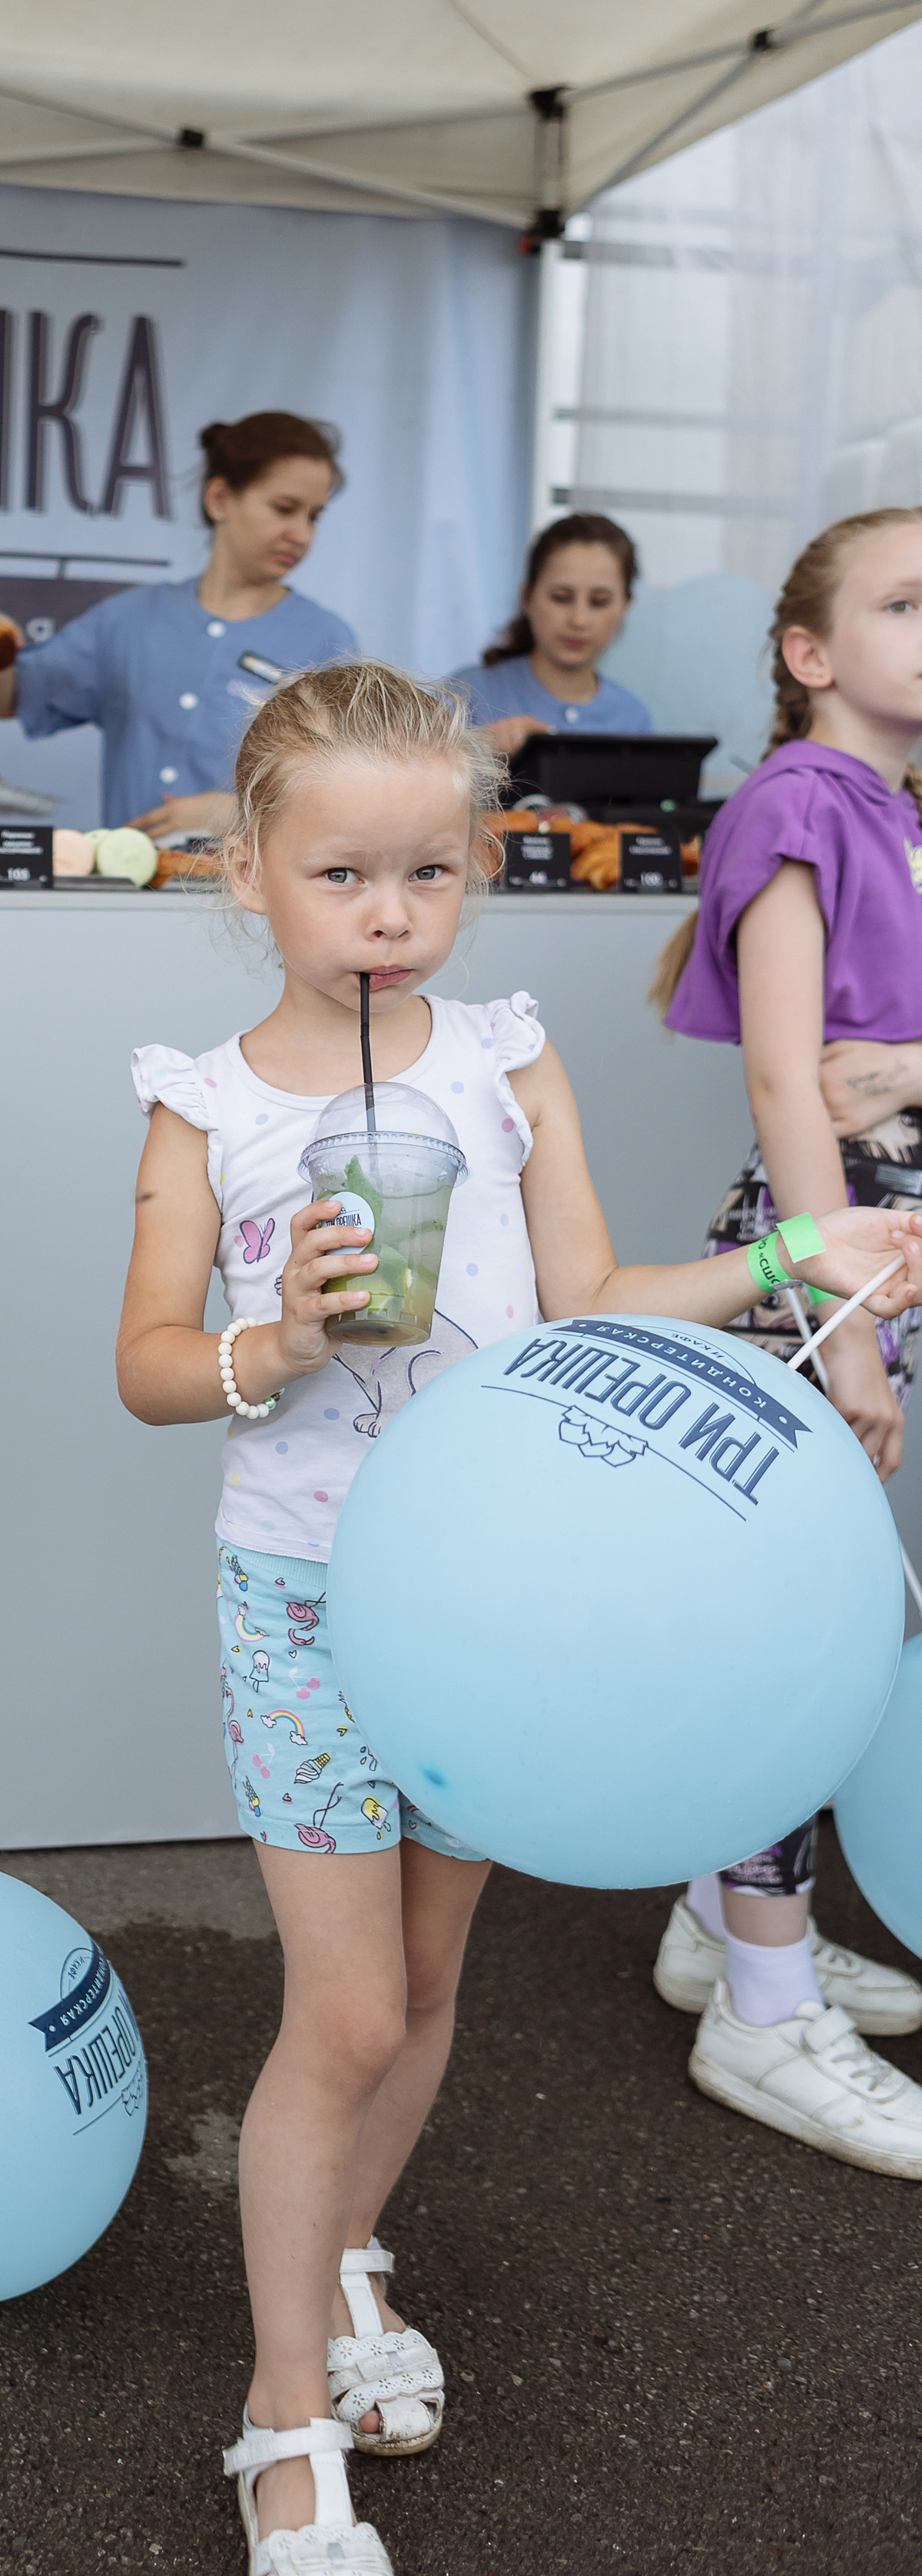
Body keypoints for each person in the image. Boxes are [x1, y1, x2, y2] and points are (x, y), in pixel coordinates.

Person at [115, 658, 922, 2576]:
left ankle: (341, 2261)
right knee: (346, 2004)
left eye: (425, 874)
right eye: (337, 877)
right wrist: (285, 1330)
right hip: (306, 1594)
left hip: (491, 1589)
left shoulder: (502, 1056)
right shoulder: (203, 1106)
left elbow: (581, 1297)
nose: (386, 918)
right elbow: (143, 1367)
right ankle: (280, 2411)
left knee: (428, 1981)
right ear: (249, 869)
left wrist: (790, 1252)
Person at [646, 506, 922, 2163]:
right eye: (901, 602)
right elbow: (781, 1078)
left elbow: (872, 1065)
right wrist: (834, 1318)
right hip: (833, 1263)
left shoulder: (886, 809)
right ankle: (760, 2015)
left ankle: (715, 1923)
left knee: (809, 1612)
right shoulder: (794, 804)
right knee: (792, 1636)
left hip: (873, 1249)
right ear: (808, 655)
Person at [0, 410, 355, 835]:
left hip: (253, 896)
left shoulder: (326, 641)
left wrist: (236, 815)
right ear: (220, 499)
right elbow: (11, 699)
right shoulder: (130, 618)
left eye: (314, 516)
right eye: (285, 509)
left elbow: (348, 796)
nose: (301, 534)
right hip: (129, 891)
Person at [447, 512, 650, 758]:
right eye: (561, 598)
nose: (579, 620)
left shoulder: (633, 718)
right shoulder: (466, 695)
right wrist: (472, 752)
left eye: (599, 602)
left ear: (626, 606)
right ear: (528, 598)